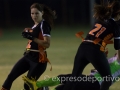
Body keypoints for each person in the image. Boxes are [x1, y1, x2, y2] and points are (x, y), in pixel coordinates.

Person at [62, 1, 120, 90]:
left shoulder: (100, 18)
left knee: (74, 78)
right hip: (94, 50)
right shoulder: (115, 26)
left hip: (83, 46)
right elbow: (117, 46)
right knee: (107, 79)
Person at [1, 3, 56, 90]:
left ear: (42, 13)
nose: (34, 16)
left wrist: (32, 38)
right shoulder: (34, 25)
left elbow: (47, 44)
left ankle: (44, 88)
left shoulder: (44, 25)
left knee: (27, 86)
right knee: (10, 76)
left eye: (37, 13)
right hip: (28, 57)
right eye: (32, 13)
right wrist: (28, 34)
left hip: (38, 61)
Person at [22, 50, 120, 90]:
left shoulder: (118, 63)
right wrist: (101, 56)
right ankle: (38, 85)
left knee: (66, 84)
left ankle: (38, 86)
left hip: (95, 84)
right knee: (63, 81)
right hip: (91, 80)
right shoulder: (113, 59)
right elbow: (96, 69)